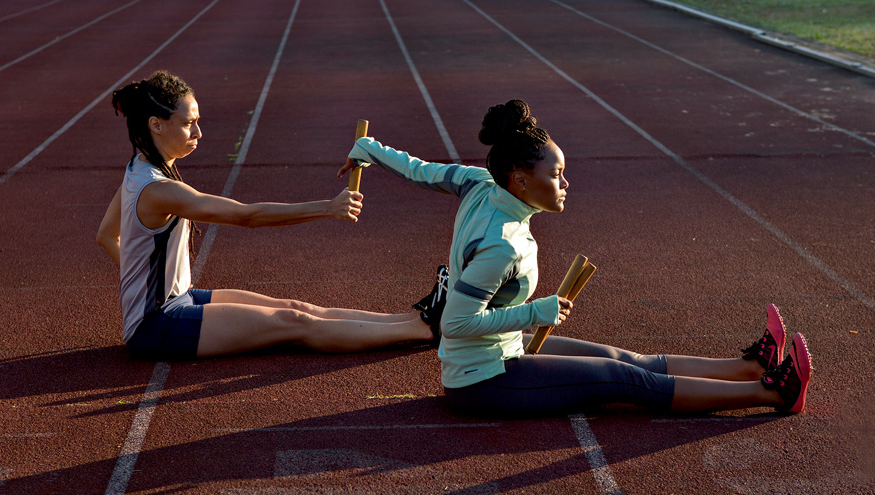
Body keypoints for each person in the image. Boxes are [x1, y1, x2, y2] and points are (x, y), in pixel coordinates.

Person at [337, 99, 813, 416]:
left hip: (507, 350)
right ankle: (773, 393)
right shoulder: (500, 243)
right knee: (621, 380)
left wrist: (369, 150)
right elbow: (456, 323)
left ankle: (751, 367)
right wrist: (536, 311)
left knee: (623, 357)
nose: (565, 184)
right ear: (522, 179)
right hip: (481, 381)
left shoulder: (479, 182)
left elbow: (418, 170)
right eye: (557, 174)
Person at [96, 71, 435, 360]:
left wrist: (143, 284)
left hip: (176, 299)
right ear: (156, 125)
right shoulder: (157, 189)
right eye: (188, 124)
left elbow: (106, 235)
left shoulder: (137, 167)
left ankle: (411, 320)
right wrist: (328, 208)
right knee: (294, 324)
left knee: (296, 307)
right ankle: (423, 330)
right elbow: (248, 216)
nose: (199, 133)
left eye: (198, 122)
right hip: (158, 326)